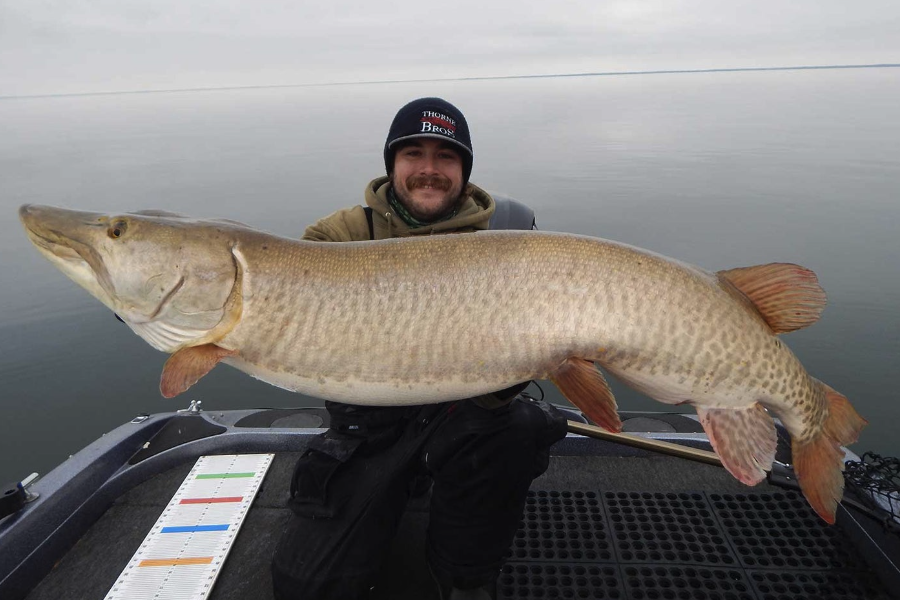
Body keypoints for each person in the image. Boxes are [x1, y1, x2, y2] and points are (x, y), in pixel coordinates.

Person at [271, 97, 568, 600]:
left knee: (515, 429)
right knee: (305, 588)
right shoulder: (338, 236)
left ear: (464, 170)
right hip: (370, 430)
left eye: (446, 156)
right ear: (392, 164)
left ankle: (466, 577)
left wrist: (529, 358)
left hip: (469, 418)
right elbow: (281, 303)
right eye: (413, 153)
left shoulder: (509, 239)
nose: (428, 170)